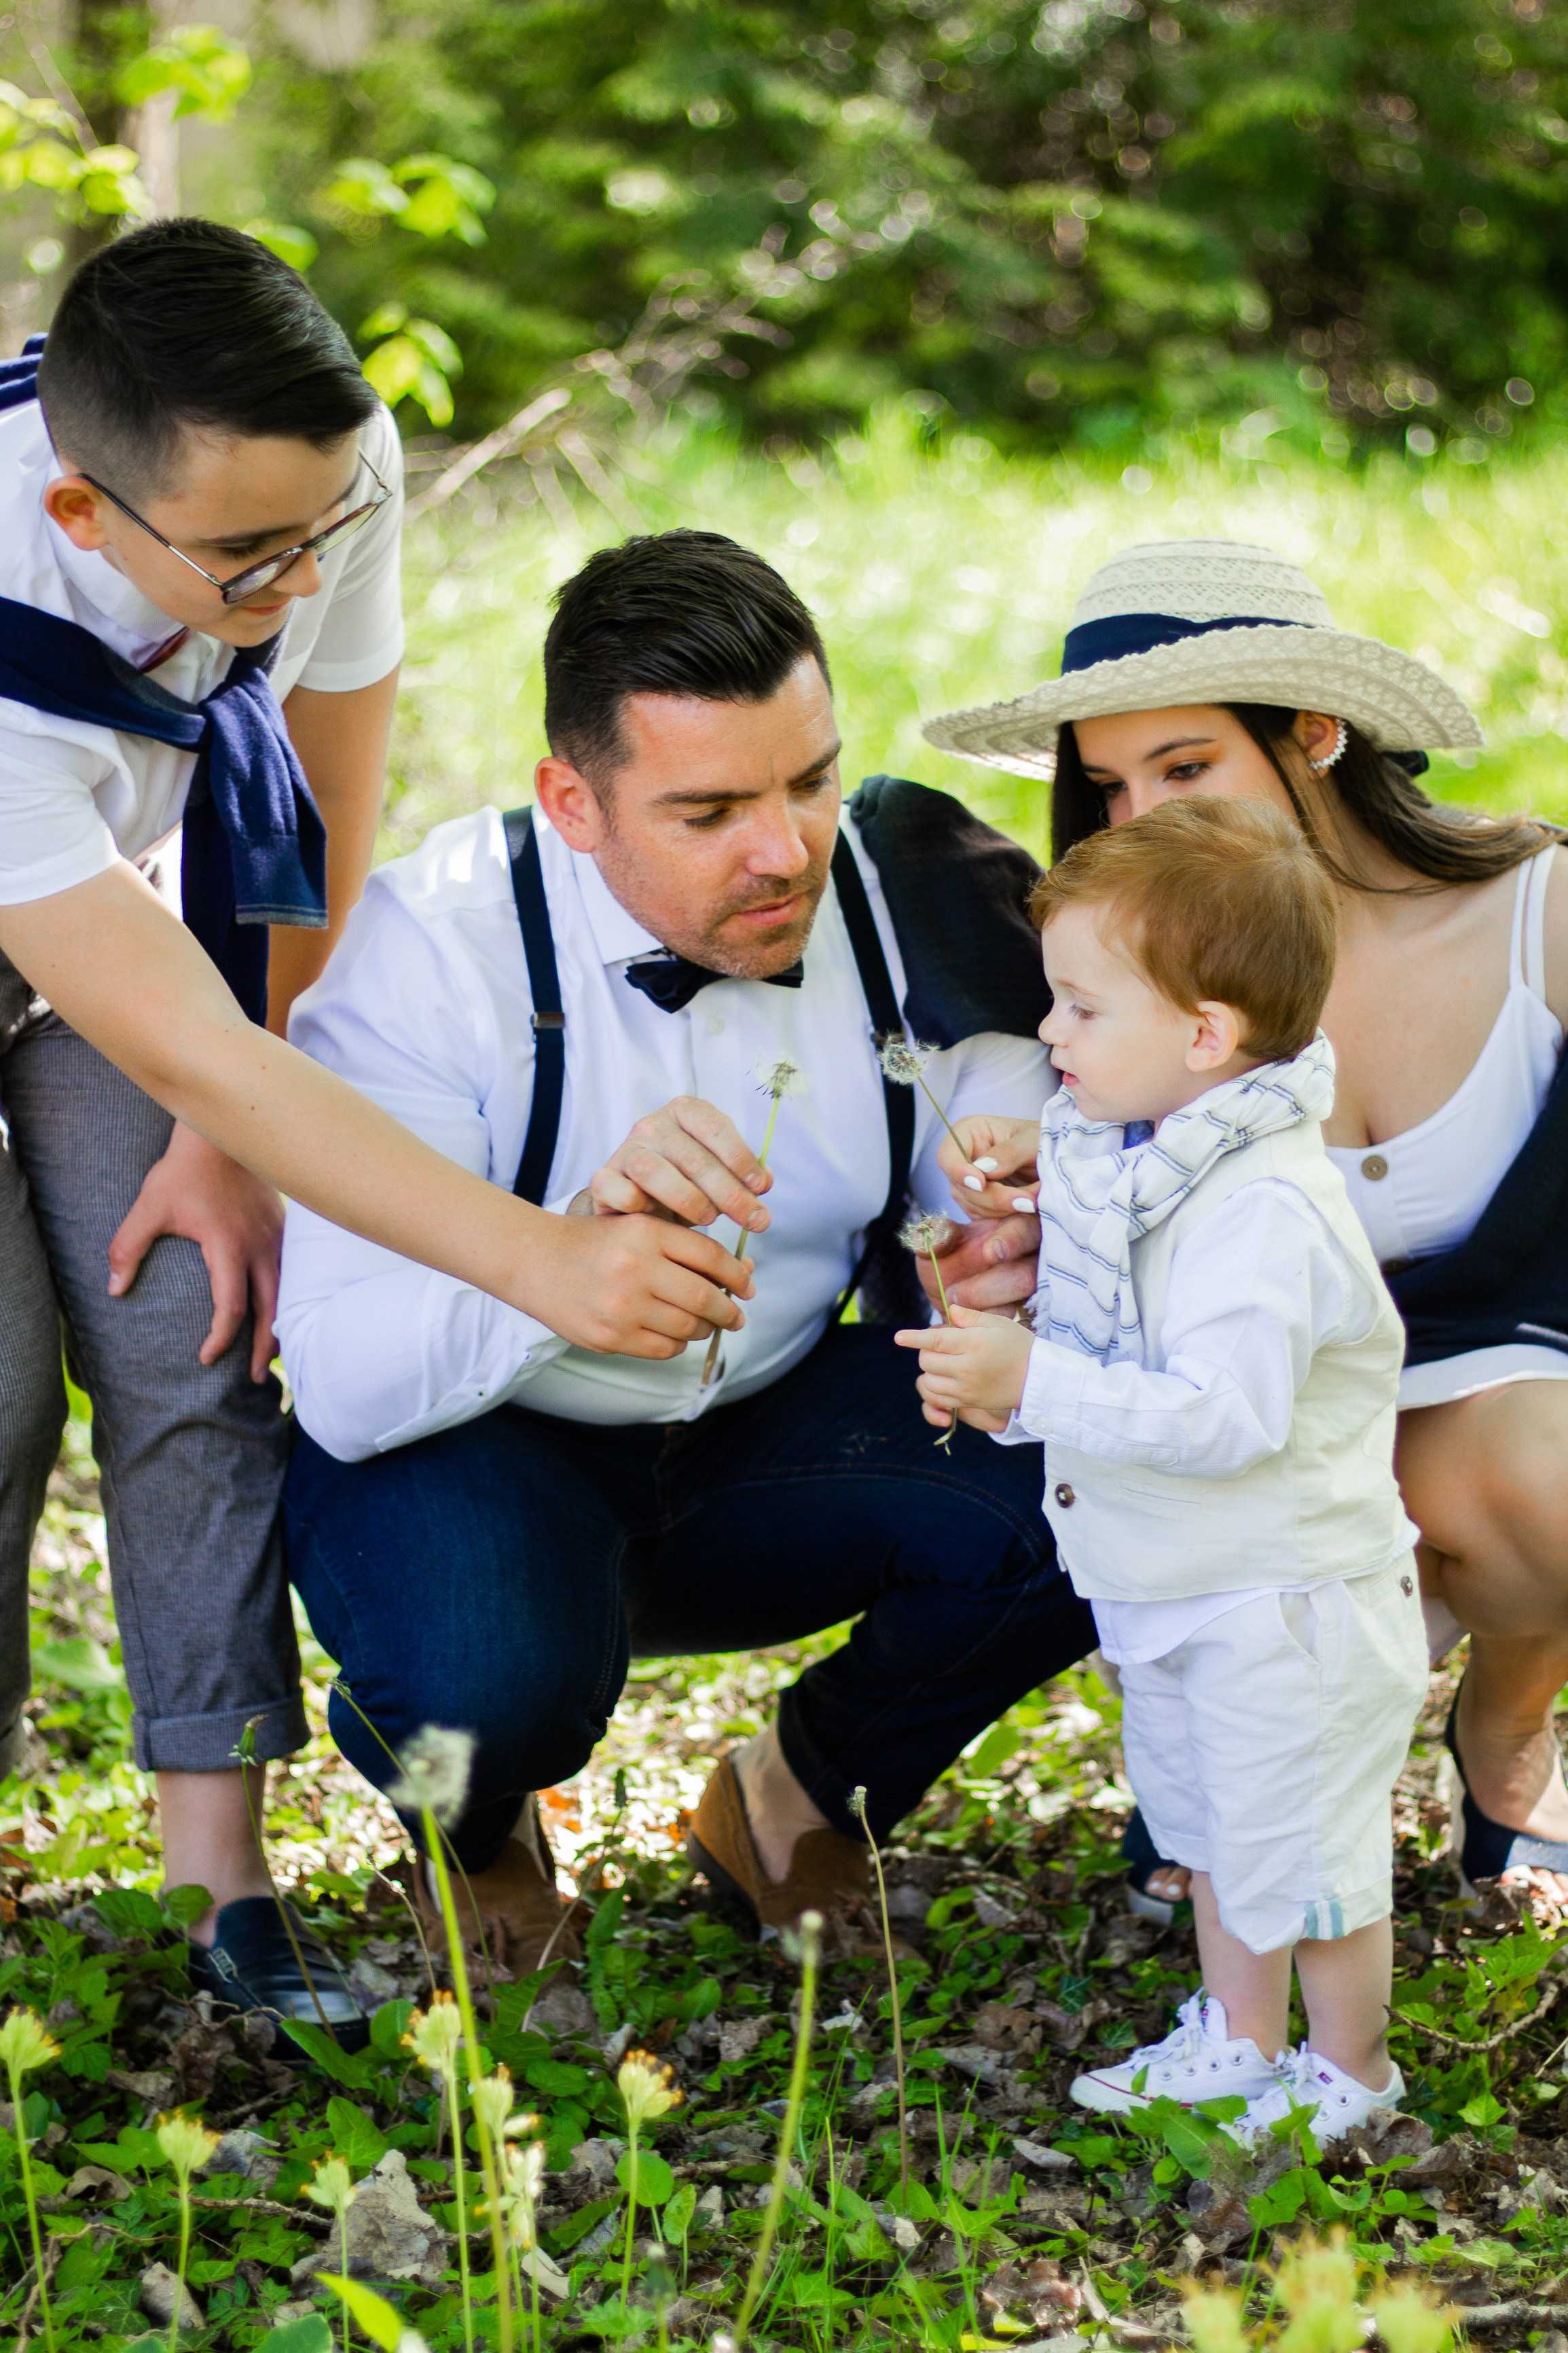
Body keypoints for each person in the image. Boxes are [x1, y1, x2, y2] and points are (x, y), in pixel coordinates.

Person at [0, 224, 753, 2047]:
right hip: (55, 875)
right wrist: (540, 1257)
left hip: (133, 908)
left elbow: (317, 810)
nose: (309, 566)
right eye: (255, 557)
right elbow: (190, 1041)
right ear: (87, 517)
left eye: (325, 526)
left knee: (198, 1312)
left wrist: (233, 1121)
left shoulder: (313, 469)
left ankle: (219, 1885)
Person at [276, 528, 1099, 1969]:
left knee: (1102, 1463)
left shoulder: (892, 881)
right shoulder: (434, 946)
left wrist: (993, 1213)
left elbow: (985, 1093)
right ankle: (476, 1825)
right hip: (485, 1443)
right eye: (711, 809)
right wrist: (551, 1270)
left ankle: (797, 1789)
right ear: (571, 803)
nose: (784, 849)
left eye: (809, 780)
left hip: (768, 1426)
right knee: (482, 1683)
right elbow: (339, 1380)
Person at [920, 535, 1568, 1911]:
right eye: (1110, 786)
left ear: (1314, 734)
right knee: (1218, 1853)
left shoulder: (1537, 917)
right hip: (1259, 1433)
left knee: (1525, 1465)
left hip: (1516, 1425)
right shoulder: (1149, 996)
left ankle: (1505, 1728)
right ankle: (1291, 1762)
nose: (1143, 814)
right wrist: (1029, 1221)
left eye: (1187, 765)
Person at [899, 795, 1428, 2135]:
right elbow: (1103, 1294)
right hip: (1183, 1592)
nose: (1050, 1036)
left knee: (1300, 1851)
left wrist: (1030, 1380)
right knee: (1211, 1838)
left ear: (1205, 1036)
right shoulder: (1144, 1153)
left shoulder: (1264, 1212)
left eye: (1080, 1009)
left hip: (1283, 1602)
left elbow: (1221, 1416)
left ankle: (1351, 2070)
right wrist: (1041, 1202)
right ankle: (1241, 2040)